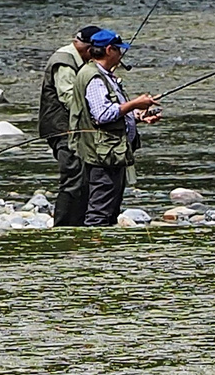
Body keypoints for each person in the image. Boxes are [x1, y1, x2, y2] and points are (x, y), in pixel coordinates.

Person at [69, 29, 160, 226]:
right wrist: (135, 103)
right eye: (119, 50)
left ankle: (105, 251)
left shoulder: (103, 75)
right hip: (103, 154)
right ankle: (94, 251)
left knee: (110, 210)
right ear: (109, 50)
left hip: (110, 152)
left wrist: (138, 116)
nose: (121, 55)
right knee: (100, 212)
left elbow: (113, 112)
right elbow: (102, 115)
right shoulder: (93, 77)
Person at [39, 24, 104, 226]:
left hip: (75, 127)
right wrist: (99, 112)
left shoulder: (82, 60)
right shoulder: (64, 61)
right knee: (73, 176)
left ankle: (79, 222)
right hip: (62, 129)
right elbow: (68, 97)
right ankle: (64, 226)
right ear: (84, 46)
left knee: (84, 176)